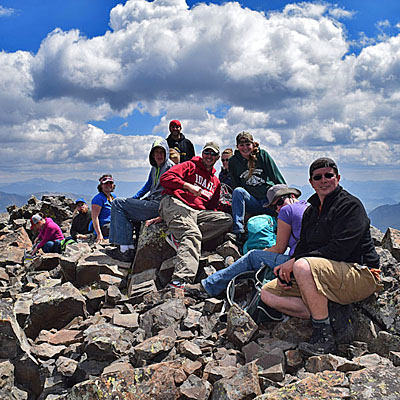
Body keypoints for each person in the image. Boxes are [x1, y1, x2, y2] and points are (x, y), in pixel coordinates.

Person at [261, 157, 382, 355]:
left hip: (361, 274)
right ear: (311, 182)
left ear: (338, 178)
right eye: (318, 177)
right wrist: (288, 273)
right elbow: (304, 246)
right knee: (267, 292)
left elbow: (340, 249)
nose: (323, 180)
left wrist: (295, 265)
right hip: (327, 275)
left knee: (301, 266)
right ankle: (327, 313)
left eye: (329, 175)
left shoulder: (350, 206)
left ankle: (324, 338)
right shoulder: (311, 211)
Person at [200, 184, 308, 297]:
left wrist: (265, 251)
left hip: (298, 261)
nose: (278, 208)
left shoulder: (287, 210)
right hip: (306, 259)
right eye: (274, 207)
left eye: (280, 202)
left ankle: (209, 286)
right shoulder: (307, 206)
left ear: (292, 196)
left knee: (252, 256)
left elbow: (279, 249)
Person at [159, 142, 233, 288]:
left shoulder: (215, 181)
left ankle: (178, 237)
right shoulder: (189, 166)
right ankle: (180, 281)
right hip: (176, 202)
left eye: (213, 154)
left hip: (197, 212)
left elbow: (212, 206)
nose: (209, 156)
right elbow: (165, 178)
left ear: (217, 157)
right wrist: (187, 186)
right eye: (207, 152)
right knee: (191, 234)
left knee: (226, 220)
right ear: (202, 153)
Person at [107, 139, 174, 262]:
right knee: (122, 206)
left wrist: (164, 213)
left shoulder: (170, 167)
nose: (159, 155)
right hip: (153, 203)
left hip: (158, 206)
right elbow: (148, 186)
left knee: (117, 204)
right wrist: (133, 199)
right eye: (156, 152)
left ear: (166, 153)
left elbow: (173, 191)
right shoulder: (155, 168)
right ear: (152, 155)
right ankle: (128, 247)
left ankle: (125, 250)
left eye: (161, 152)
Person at [228, 132, 286, 245]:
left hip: (268, 201)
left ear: (253, 144)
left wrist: (288, 196)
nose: (245, 148)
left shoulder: (262, 155)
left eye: (247, 144)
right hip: (252, 201)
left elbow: (276, 177)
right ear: (237, 146)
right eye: (241, 145)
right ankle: (239, 232)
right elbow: (235, 185)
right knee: (238, 191)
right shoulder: (234, 161)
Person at [91, 174, 116, 243]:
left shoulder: (113, 197)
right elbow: (94, 217)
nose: (108, 185)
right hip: (104, 226)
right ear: (101, 185)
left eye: (110, 183)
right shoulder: (98, 199)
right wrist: (99, 234)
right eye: (106, 183)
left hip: (112, 223)